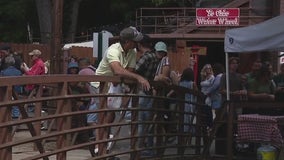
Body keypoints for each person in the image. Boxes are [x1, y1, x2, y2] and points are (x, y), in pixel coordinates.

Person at [94, 26, 150, 157]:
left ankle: (104, 142)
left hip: (114, 84)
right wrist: (138, 78)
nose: (137, 43)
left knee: (111, 114)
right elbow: (118, 70)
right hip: (100, 85)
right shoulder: (113, 50)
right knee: (103, 114)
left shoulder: (132, 52)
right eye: (135, 41)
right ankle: (99, 145)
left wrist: (125, 78)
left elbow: (128, 70)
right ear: (127, 42)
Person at [135, 34, 159, 155]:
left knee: (140, 121)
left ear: (139, 44)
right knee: (148, 120)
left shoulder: (145, 57)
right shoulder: (155, 56)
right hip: (149, 90)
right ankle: (150, 149)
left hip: (142, 90)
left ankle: (138, 149)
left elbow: (135, 70)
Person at [178, 67, 198, 133]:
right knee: (190, 118)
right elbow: (197, 93)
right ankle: (191, 131)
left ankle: (183, 130)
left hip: (182, 102)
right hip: (190, 103)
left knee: (183, 117)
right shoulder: (192, 84)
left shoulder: (180, 83)